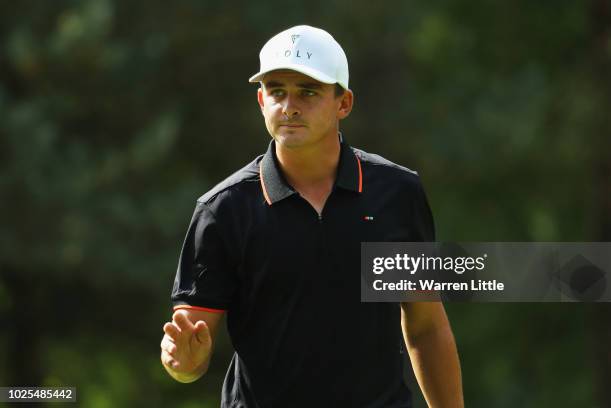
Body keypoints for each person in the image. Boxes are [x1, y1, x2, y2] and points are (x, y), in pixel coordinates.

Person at [160, 25, 464, 408]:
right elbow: (190, 351)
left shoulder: (395, 194)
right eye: (277, 91)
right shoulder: (223, 210)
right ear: (260, 101)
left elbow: (425, 327)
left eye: (308, 91)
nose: (289, 106)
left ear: (344, 103)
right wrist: (182, 364)